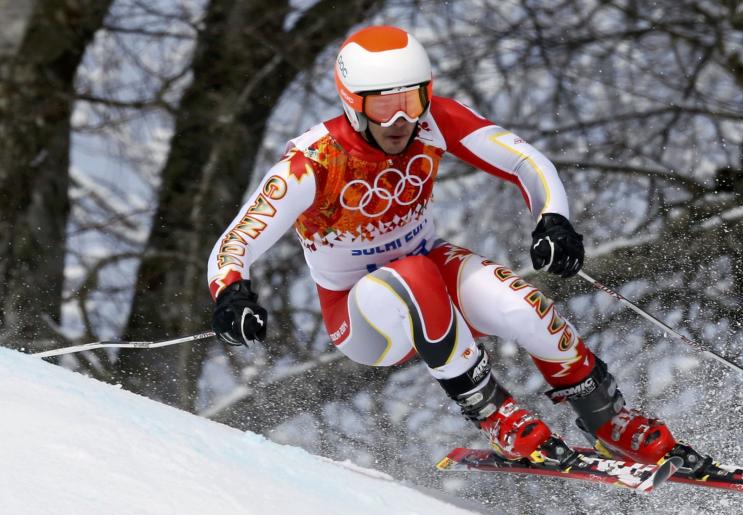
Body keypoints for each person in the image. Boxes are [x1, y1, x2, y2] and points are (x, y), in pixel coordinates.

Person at [207, 25, 706, 472]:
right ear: (352, 103)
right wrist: (231, 293)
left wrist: (553, 219)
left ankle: (607, 420)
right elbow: (236, 241)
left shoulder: (433, 122)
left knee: (524, 305)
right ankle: (491, 412)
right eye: (384, 105)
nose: (402, 119)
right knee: (414, 275)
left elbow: (525, 162)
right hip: (362, 316)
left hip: (428, 270)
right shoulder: (315, 160)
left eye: (414, 98)